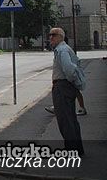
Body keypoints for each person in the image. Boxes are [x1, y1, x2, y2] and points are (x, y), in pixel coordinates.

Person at [48, 27, 84, 155]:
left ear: (61, 36)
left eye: (53, 35)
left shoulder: (62, 50)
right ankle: (77, 148)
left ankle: (72, 150)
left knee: (65, 120)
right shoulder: (64, 49)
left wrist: (69, 81)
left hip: (62, 87)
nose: (51, 37)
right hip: (66, 86)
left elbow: (69, 69)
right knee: (71, 119)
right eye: (50, 35)